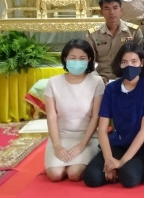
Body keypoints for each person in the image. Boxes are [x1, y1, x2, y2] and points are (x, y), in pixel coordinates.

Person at [84, 43, 144, 188]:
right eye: (124, 62)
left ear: (141, 62)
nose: (129, 66)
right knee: (92, 177)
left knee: (128, 176)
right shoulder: (111, 88)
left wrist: (121, 163)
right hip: (119, 144)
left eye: (134, 61)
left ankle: (124, 168)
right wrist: (109, 160)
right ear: (119, 64)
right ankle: (115, 168)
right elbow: (102, 129)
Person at [44, 39, 105, 182]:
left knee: (74, 174)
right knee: (55, 175)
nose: (77, 61)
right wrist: (57, 146)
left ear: (89, 59)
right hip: (60, 137)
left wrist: (81, 145)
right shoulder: (53, 83)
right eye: (73, 58)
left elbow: (95, 117)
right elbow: (51, 117)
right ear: (65, 59)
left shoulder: (97, 82)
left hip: (87, 138)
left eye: (82, 58)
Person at [86, 0, 143, 82]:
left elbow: (140, 58)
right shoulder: (93, 34)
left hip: (127, 78)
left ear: (121, 10)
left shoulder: (134, 31)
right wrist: (96, 78)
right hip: (102, 79)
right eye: (107, 9)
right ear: (101, 12)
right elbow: (88, 61)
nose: (112, 12)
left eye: (115, 8)